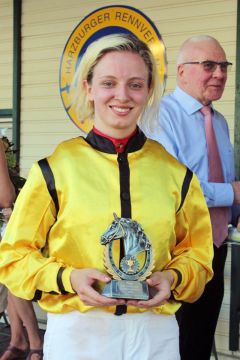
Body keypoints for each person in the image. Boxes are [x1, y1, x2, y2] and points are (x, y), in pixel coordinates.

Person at [0, 33, 213, 360]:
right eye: (109, 83)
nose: (122, 96)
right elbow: (13, 256)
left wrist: (173, 277)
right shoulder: (56, 169)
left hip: (156, 334)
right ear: (88, 87)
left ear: (149, 90)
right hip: (77, 331)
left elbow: (198, 256)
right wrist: (67, 277)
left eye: (136, 84)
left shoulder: (176, 174)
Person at [141, 35, 240, 360]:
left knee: (199, 339)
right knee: (171, 343)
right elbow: (177, 188)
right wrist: (234, 192)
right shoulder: (161, 117)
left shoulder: (220, 122)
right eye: (209, 66)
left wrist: (236, 208)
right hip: (176, 251)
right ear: (182, 72)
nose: (220, 74)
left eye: (223, 66)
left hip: (215, 247)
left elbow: (222, 181)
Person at [0, 138, 43, 360]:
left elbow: (6, 199)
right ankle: (21, 339)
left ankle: (29, 340)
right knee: (8, 272)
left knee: (10, 270)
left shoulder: (18, 180)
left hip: (16, 240)